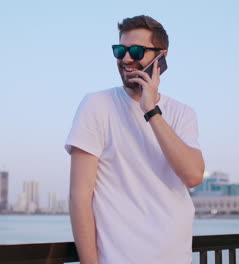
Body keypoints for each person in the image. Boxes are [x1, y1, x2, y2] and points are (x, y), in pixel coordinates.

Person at [65, 15, 205, 264]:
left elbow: (193, 175)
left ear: (161, 57)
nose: (126, 59)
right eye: (120, 50)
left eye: (137, 51)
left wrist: (151, 111)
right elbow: (79, 197)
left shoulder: (183, 113)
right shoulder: (96, 105)